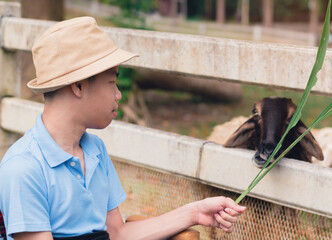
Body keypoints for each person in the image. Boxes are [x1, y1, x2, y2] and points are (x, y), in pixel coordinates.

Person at [0, 17, 246, 240]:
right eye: (112, 81)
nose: (118, 94)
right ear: (78, 86)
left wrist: (195, 212)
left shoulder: (94, 150)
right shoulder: (24, 168)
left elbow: (117, 233)